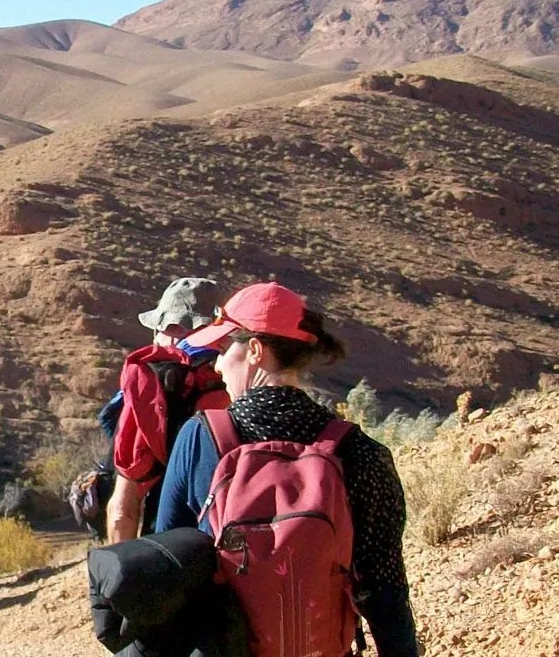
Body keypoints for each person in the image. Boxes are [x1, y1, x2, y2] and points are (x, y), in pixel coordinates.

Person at [154, 282, 419, 657]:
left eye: (224, 348)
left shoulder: (200, 437)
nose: (216, 363)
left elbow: (166, 566)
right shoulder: (360, 451)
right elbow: (386, 592)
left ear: (256, 351)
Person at [104, 277, 230, 543]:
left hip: (171, 545)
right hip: (245, 551)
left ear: (166, 328)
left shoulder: (152, 388)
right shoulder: (245, 378)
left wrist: (125, 575)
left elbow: (122, 511)